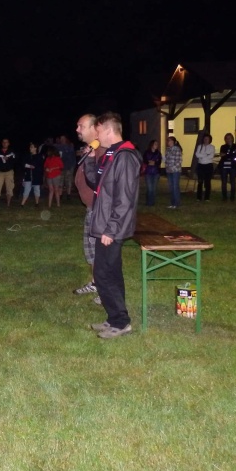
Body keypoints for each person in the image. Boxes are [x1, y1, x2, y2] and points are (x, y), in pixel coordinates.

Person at [83, 112, 141, 339]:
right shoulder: (110, 154)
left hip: (111, 227)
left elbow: (124, 198)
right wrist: (90, 159)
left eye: (97, 131)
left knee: (105, 274)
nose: (95, 136)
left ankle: (121, 322)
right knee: (108, 272)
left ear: (108, 130)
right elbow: (96, 184)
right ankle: (114, 318)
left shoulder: (125, 156)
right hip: (104, 223)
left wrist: (112, 229)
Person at [71, 114, 106, 295]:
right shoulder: (91, 148)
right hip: (91, 208)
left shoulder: (102, 151)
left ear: (94, 128)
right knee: (91, 252)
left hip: (99, 210)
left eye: (81, 126)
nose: (77, 129)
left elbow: (99, 181)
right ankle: (96, 283)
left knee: (100, 253)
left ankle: (105, 291)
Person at [0, 139, 16, 207]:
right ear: (2, 143)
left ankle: (8, 205)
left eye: (6, 142)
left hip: (9, 172)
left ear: (8, 143)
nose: (5, 143)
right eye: (3, 142)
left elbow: (15, 161)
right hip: (0, 172)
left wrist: (8, 159)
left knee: (9, 188)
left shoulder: (12, 152)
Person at [218, 133, 236, 201]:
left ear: (232, 138)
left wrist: (226, 154)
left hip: (233, 165)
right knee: (224, 181)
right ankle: (224, 197)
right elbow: (221, 154)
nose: (228, 139)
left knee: (233, 181)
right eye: (227, 138)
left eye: (229, 138)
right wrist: (230, 154)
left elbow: (235, 154)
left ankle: (232, 197)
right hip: (223, 165)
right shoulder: (223, 146)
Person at [20, 142, 44, 206]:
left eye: (31, 147)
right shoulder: (28, 156)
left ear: (35, 148)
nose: (30, 148)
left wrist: (34, 167)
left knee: (37, 190)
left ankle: (37, 203)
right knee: (26, 189)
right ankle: (22, 204)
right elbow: (23, 164)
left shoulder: (39, 156)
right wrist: (29, 166)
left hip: (36, 176)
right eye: (30, 147)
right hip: (28, 176)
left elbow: (40, 166)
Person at [194, 133, 215, 201]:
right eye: (205, 139)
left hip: (208, 166)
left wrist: (202, 156)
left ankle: (207, 197)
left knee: (207, 182)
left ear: (210, 140)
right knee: (200, 181)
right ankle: (199, 197)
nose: (206, 140)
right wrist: (205, 155)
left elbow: (211, 156)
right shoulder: (200, 146)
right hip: (200, 165)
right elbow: (197, 154)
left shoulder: (212, 147)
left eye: (207, 139)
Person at [164, 136, 182, 209]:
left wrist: (172, 168)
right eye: (168, 141)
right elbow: (166, 160)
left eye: (171, 141)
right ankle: (172, 203)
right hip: (169, 171)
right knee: (171, 187)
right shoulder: (168, 149)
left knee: (175, 187)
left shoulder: (177, 149)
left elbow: (178, 161)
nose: (169, 142)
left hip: (175, 171)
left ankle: (176, 203)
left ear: (174, 142)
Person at [142, 140, 162, 206]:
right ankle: (148, 202)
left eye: (157, 144)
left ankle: (152, 202)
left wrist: (155, 163)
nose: (156, 145)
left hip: (156, 172)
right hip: (148, 172)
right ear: (152, 145)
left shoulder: (158, 153)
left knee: (154, 188)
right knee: (149, 188)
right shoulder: (147, 152)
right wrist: (149, 162)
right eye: (155, 144)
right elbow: (144, 160)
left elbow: (159, 161)